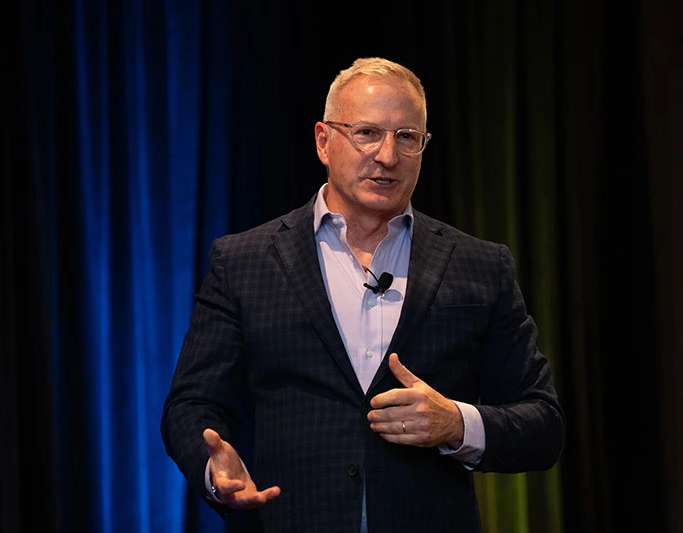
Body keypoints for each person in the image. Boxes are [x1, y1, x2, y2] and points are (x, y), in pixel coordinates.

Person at [161, 57, 564, 532]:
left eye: (407, 137)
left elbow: (543, 424)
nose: (388, 156)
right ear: (323, 141)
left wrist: (456, 424)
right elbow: (190, 404)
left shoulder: (479, 266)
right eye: (367, 133)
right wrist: (213, 469)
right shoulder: (244, 261)